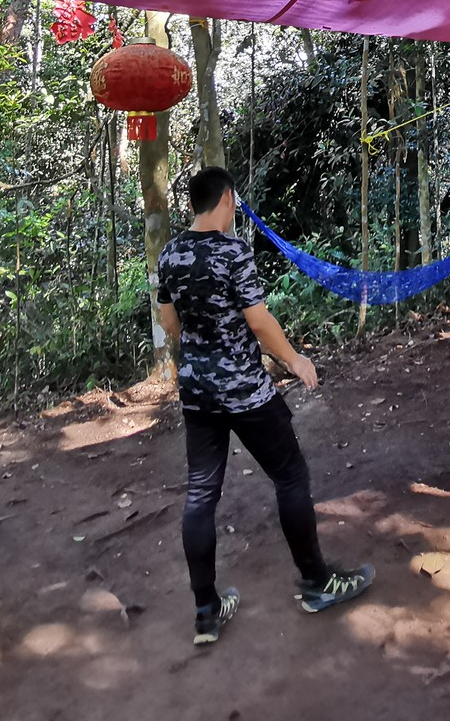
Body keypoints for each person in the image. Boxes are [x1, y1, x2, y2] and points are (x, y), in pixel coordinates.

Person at [154, 166, 373, 646]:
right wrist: (294, 360)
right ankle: (316, 583)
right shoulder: (233, 252)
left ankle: (206, 611)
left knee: (200, 495)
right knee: (291, 474)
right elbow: (258, 319)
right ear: (227, 199)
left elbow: (169, 322)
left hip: (196, 392)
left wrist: (203, 345)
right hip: (245, 391)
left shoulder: (170, 253)